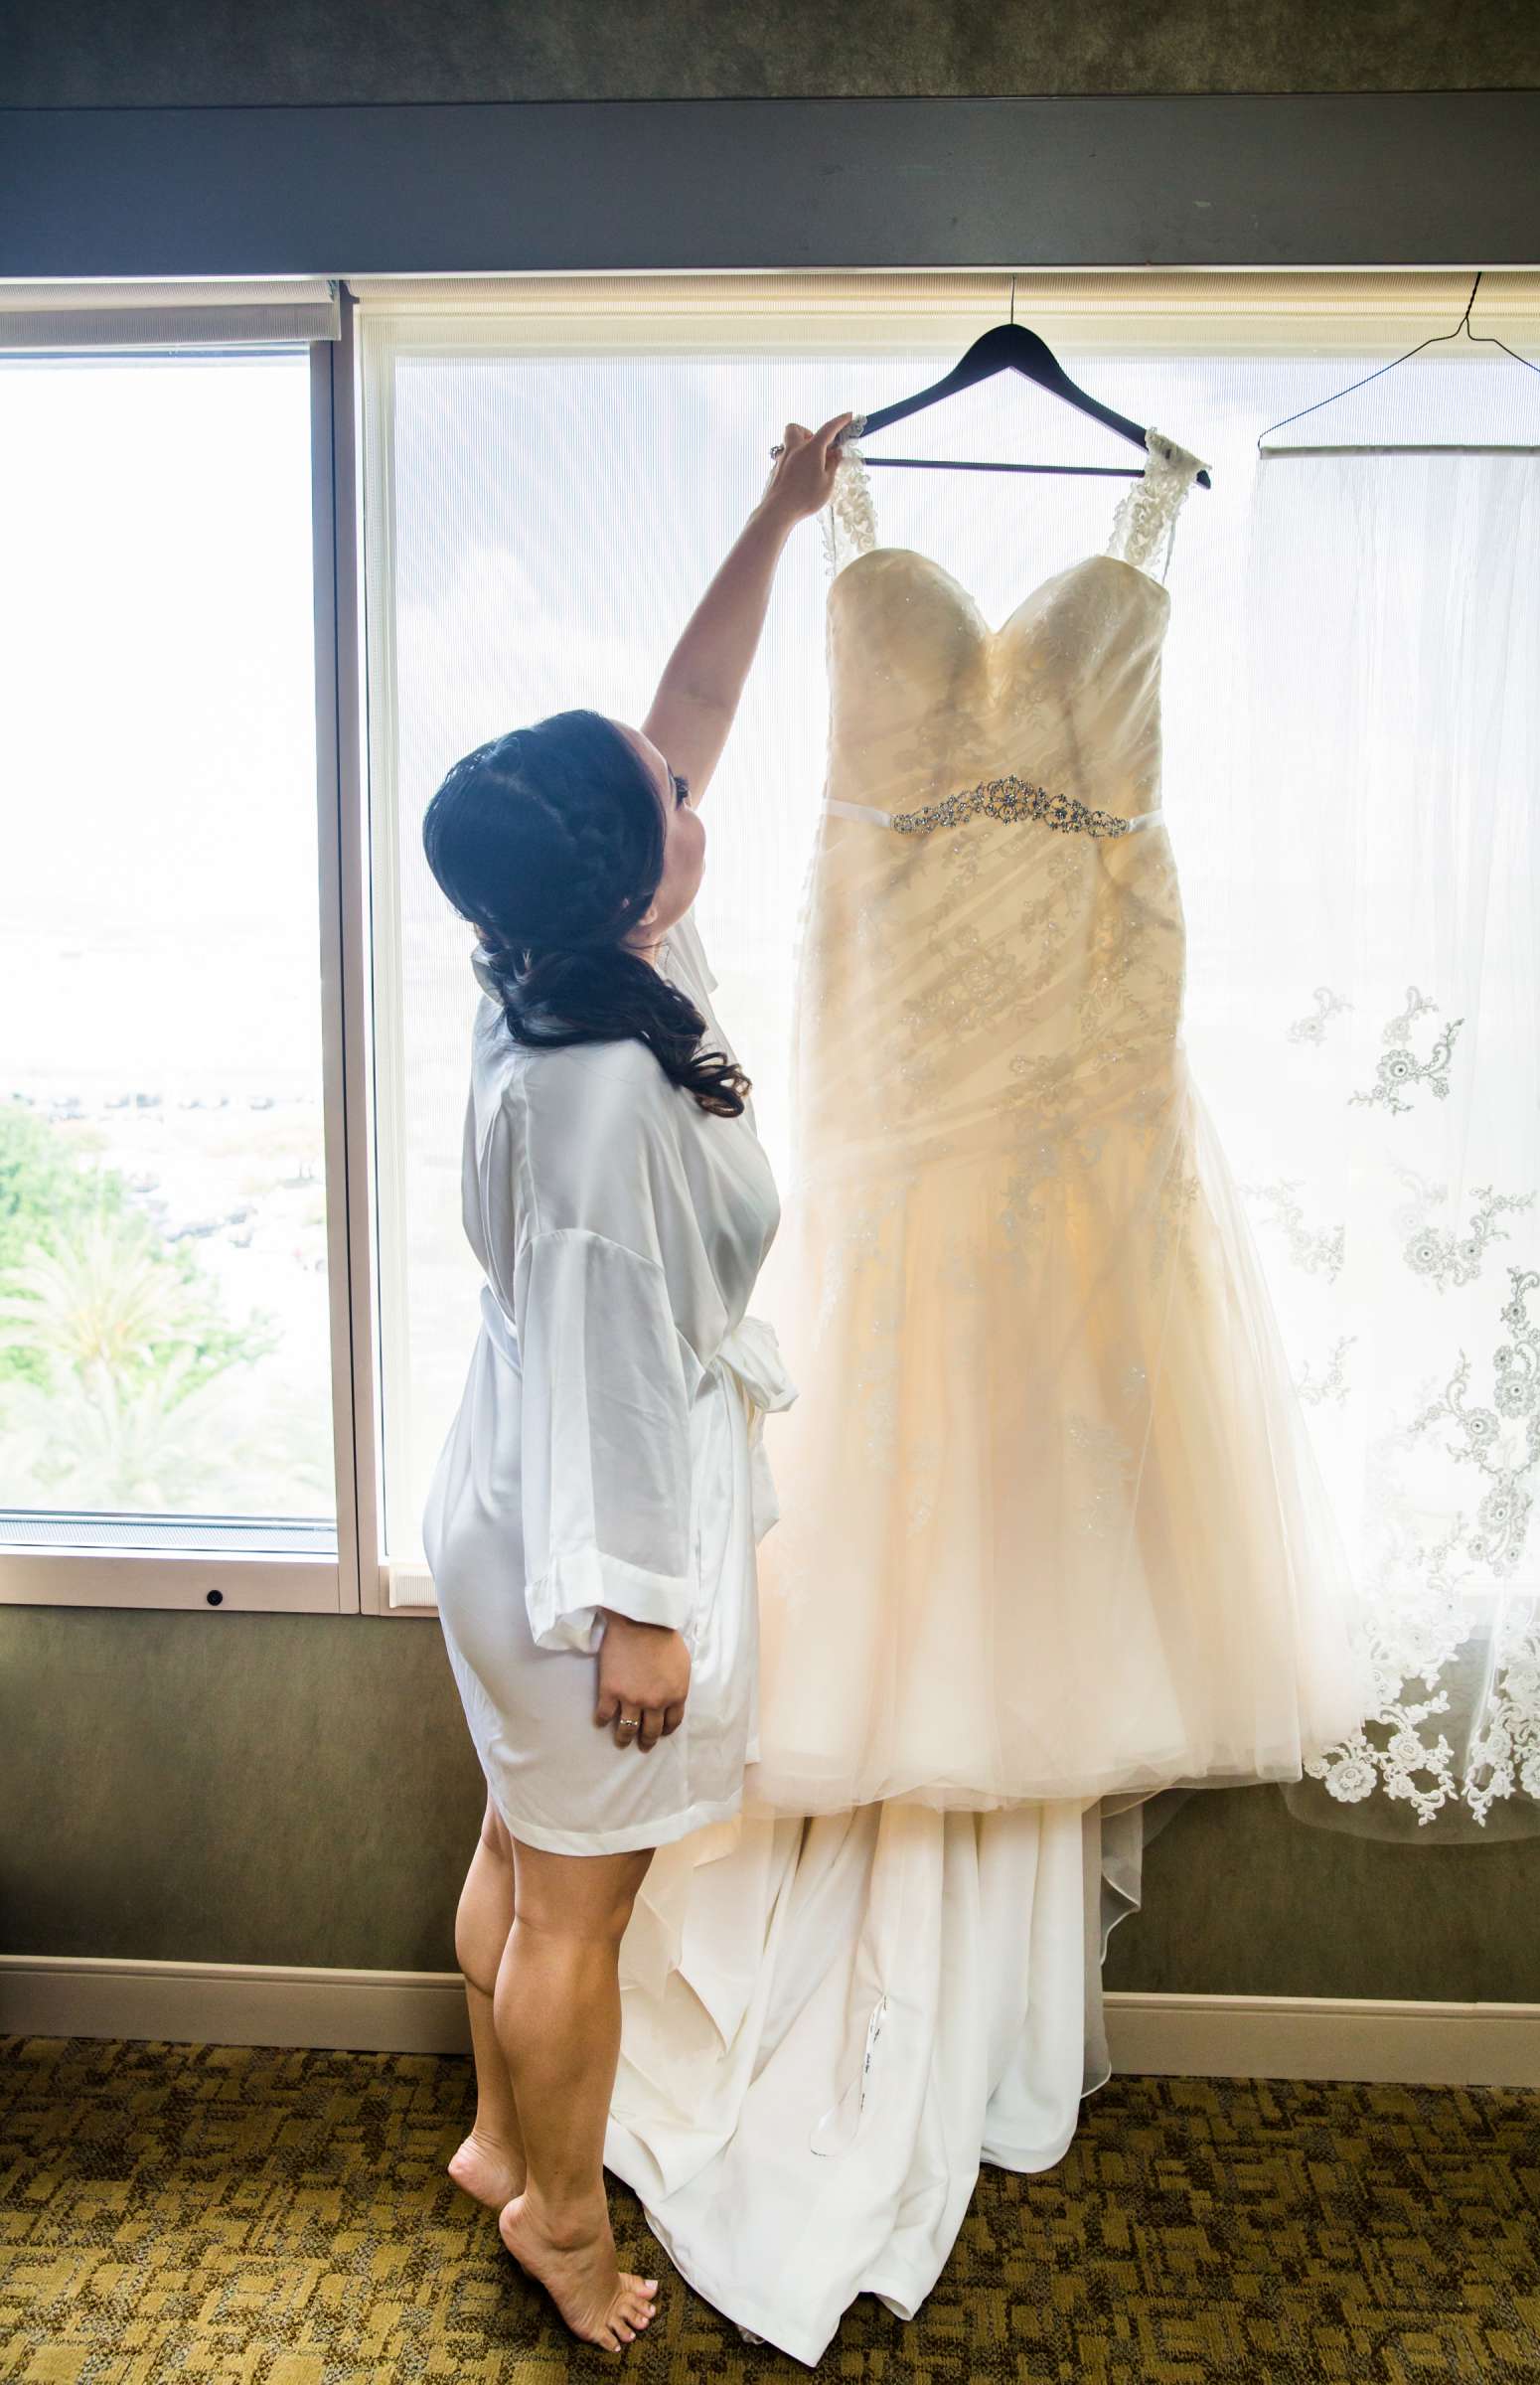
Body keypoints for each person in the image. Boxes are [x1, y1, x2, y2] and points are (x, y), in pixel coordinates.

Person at [414, 411, 853, 2355]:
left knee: (518, 1852)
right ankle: (564, 2231)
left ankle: (503, 2148)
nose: (699, 796)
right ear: (626, 879)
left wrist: (774, 511)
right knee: (578, 1910)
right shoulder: (600, 1086)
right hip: (585, 1547)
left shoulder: (554, 955)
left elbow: (682, 709)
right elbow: (607, 1364)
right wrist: (647, 1615)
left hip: (511, 1492)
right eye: (667, 801)